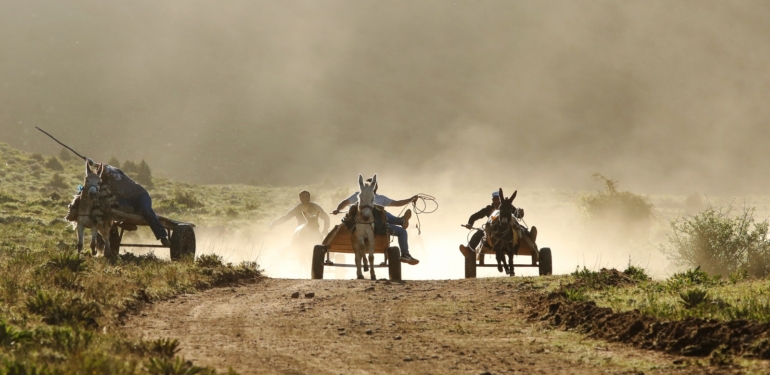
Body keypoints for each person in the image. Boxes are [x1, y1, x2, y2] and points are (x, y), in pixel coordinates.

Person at [332, 178, 419, 264]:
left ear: (375, 187)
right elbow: (345, 202)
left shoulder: (380, 198)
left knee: (401, 231)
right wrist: (338, 209)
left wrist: (410, 200)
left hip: (380, 226)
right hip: (362, 225)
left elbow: (396, 203)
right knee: (378, 210)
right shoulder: (359, 195)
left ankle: (405, 254)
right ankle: (400, 221)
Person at [86, 158, 169, 246]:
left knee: (146, 211)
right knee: (117, 208)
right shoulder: (102, 184)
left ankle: (162, 237)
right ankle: (124, 225)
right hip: (126, 201)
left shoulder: (116, 174)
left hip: (140, 196)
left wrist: (94, 164)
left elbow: (108, 169)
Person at [459, 191, 524, 257]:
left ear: (500, 199)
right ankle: (468, 249)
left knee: (522, 230)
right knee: (479, 232)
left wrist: (521, 213)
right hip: (492, 231)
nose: (496, 201)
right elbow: (475, 216)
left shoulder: (507, 206)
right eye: (494, 199)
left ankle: (532, 243)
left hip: (508, 229)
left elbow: (518, 215)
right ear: (492, 200)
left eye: (497, 199)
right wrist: (470, 223)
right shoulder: (489, 209)